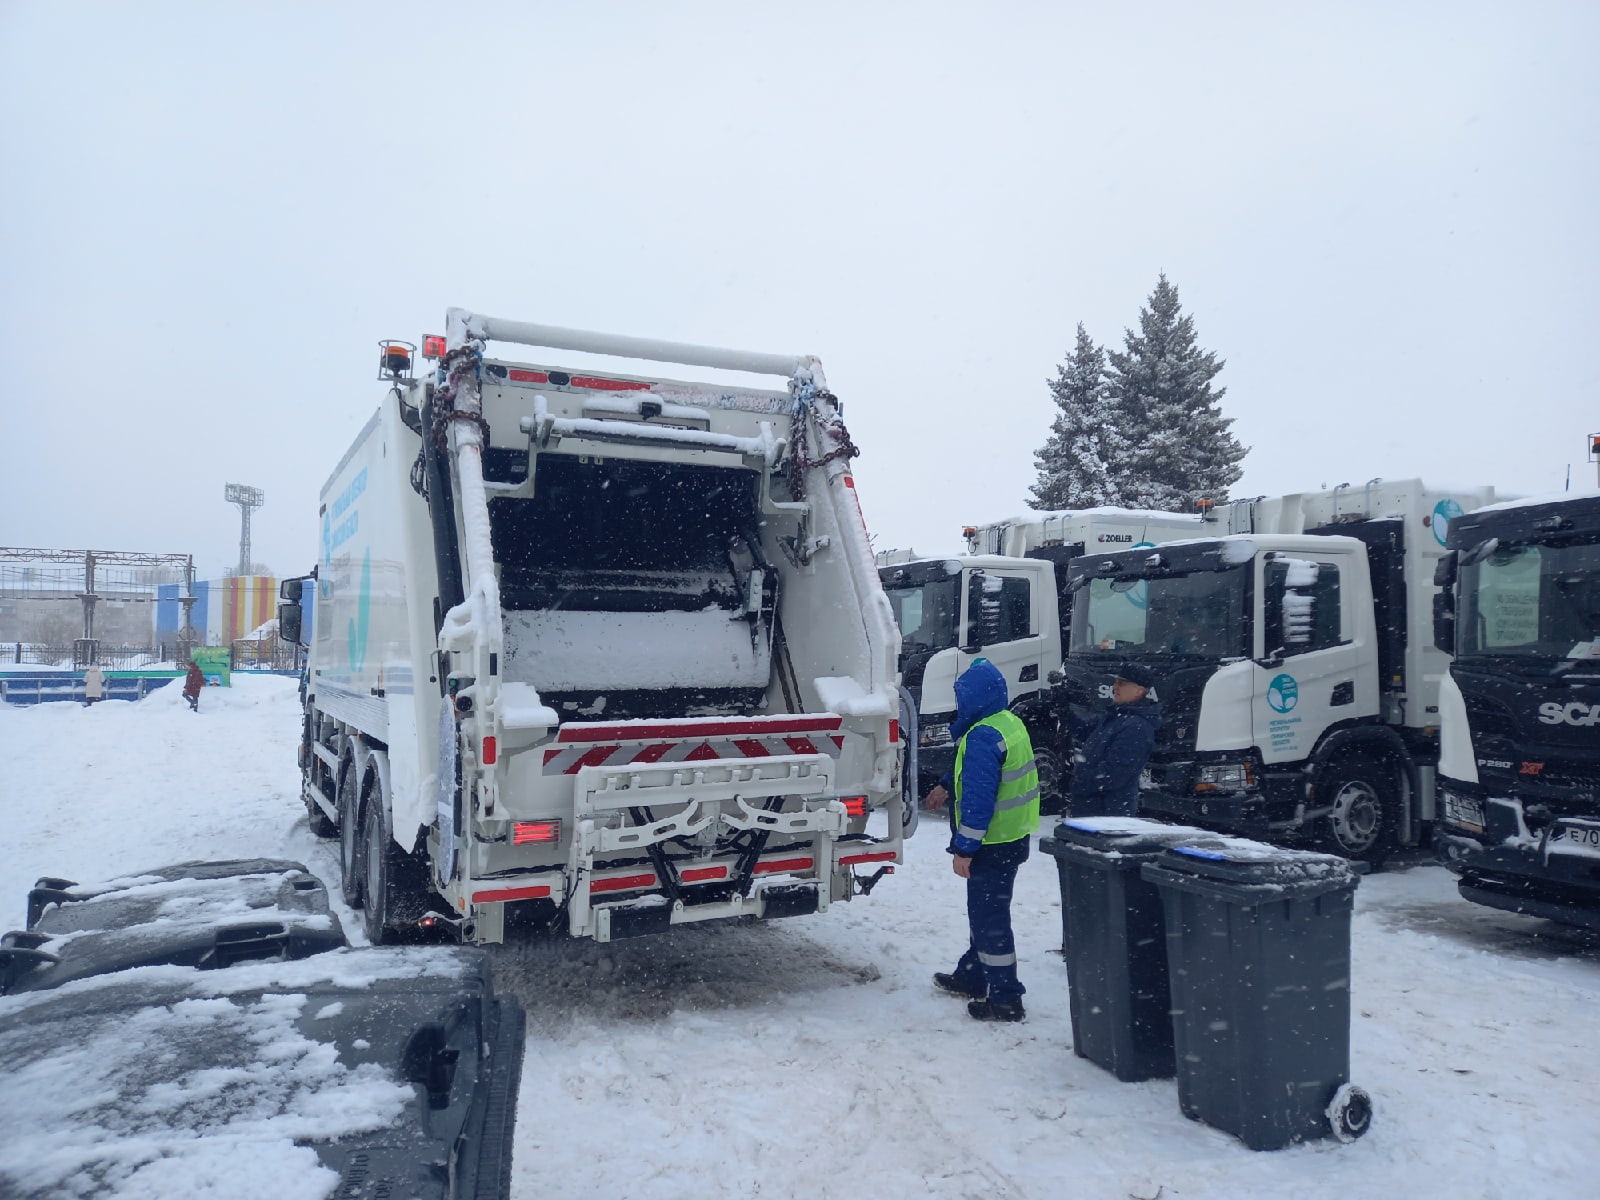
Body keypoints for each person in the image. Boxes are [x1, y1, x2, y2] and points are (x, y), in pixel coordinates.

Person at [924, 657, 1040, 1022]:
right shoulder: (1006, 723)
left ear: (973, 699)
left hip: (991, 844)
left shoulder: (981, 736)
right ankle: (972, 976)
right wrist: (945, 783)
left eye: (961, 698)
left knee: (990, 919)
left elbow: (977, 799)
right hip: (1013, 839)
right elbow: (974, 768)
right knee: (987, 912)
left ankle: (1006, 999)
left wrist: (964, 848)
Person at [1066, 664, 1162, 818]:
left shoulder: (1137, 727)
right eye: (1115, 682)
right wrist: (1064, 709)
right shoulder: (1114, 717)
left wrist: (1079, 783)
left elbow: (1114, 774)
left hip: (1109, 815)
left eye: (1121, 683)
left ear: (1140, 690)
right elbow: (1082, 730)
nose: (1114, 686)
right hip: (1092, 809)